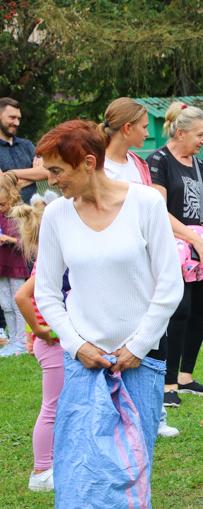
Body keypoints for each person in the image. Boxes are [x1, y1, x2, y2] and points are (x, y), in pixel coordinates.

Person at [34, 121, 183, 506]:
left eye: (56, 171)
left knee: (131, 463)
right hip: (84, 362)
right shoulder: (56, 216)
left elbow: (169, 285)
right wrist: (76, 345)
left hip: (140, 361)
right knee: (81, 463)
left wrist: (138, 345)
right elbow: (48, 293)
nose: (50, 182)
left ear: (87, 162)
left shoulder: (146, 203)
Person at [100, 97, 180, 438]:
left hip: (144, 262)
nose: (150, 133)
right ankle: (116, 413)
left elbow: (154, 214)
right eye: (145, 126)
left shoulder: (138, 164)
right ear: (127, 128)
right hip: (113, 266)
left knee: (153, 333)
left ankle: (153, 412)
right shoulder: (99, 167)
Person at [146, 102, 203, 408]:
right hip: (173, 246)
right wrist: (192, 239)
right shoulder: (158, 160)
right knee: (179, 310)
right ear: (180, 132)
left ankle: (186, 377)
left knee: (201, 308)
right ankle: (168, 381)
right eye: (199, 134)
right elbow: (158, 210)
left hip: (202, 248)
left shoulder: (201, 165)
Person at [10, 194, 62, 491]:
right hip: (53, 343)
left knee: (60, 405)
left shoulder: (47, 255)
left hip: (52, 342)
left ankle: (54, 462)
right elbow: (22, 297)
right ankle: (41, 471)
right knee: (52, 407)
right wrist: (39, 332)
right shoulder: (48, 258)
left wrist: (32, 338)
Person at [0, 172, 31, 357]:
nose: (1, 207)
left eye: (2, 204)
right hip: (2, 267)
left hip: (16, 268)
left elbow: (27, 244)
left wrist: (10, 239)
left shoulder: (20, 215)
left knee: (17, 303)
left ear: (12, 197)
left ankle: (22, 341)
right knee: (5, 304)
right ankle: (13, 339)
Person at [0, 97, 47, 204]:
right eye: (12, 118)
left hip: (31, 215)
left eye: (18, 119)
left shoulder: (26, 145)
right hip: (4, 217)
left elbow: (46, 171)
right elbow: (2, 185)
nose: (17, 123)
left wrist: (10, 174)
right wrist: (34, 176)